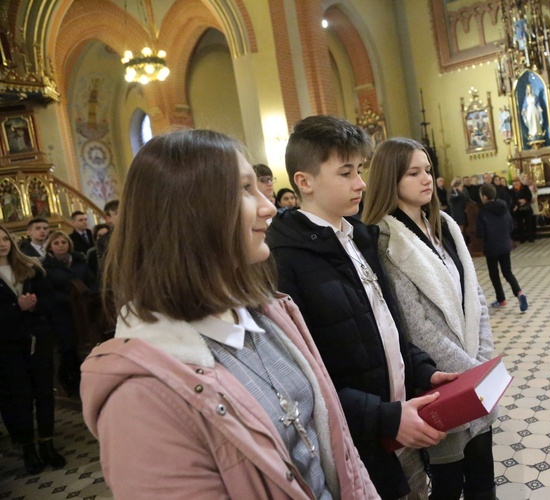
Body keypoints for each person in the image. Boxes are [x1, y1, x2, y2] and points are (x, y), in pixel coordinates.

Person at [79, 129, 378, 499]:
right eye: (244, 189)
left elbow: (335, 449)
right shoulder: (140, 399)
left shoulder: (270, 312)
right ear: (186, 213)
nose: (269, 207)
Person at [266, 116, 451, 500]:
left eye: (361, 169)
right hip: (360, 442)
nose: (361, 183)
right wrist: (384, 418)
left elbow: (385, 324)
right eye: (346, 172)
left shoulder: (359, 236)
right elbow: (308, 377)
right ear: (305, 181)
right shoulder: (285, 259)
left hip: (401, 421)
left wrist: (422, 369)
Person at [362, 138, 497, 500]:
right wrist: (469, 374)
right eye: (413, 172)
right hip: (441, 379)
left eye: (428, 171)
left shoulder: (445, 225)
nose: (426, 179)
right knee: (449, 481)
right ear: (390, 179)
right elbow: (414, 326)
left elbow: (476, 296)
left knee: (484, 476)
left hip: (472, 370)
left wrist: (481, 364)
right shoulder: (387, 239)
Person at [0, 225, 66, 475]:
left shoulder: (31, 267)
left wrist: (34, 305)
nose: (2, 244)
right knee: (20, 398)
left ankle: (47, 444)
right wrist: (17, 308)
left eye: (5, 239)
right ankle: (28, 449)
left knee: (44, 393)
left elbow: (50, 302)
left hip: (38, 339)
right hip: (8, 346)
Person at [42, 231, 96, 397]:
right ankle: (71, 383)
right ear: (50, 247)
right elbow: (47, 291)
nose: (61, 245)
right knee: (69, 348)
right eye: (56, 243)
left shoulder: (79, 262)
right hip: (63, 314)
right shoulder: (47, 268)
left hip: (84, 311)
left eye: (63, 242)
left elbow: (92, 281)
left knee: (89, 344)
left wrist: (89, 294)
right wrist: (69, 299)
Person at [477, 184, 527, 312]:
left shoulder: (483, 211)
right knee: (508, 272)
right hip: (505, 245)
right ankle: (519, 293)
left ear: (484, 196)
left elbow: (480, 232)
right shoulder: (504, 207)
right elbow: (511, 225)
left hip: (491, 247)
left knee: (494, 274)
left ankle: (501, 299)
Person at [512, 177, 534, 242]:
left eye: (517, 181)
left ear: (519, 181)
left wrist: (525, 200)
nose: (516, 183)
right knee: (520, 224)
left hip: (526, 207)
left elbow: (529, 196)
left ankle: (530, 237)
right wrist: (518, 202)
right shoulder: (512, 190)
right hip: (518, 208)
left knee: (528, 223)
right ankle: (522, 238)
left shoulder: (525, 187)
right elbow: (512, 199)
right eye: (514, 182)